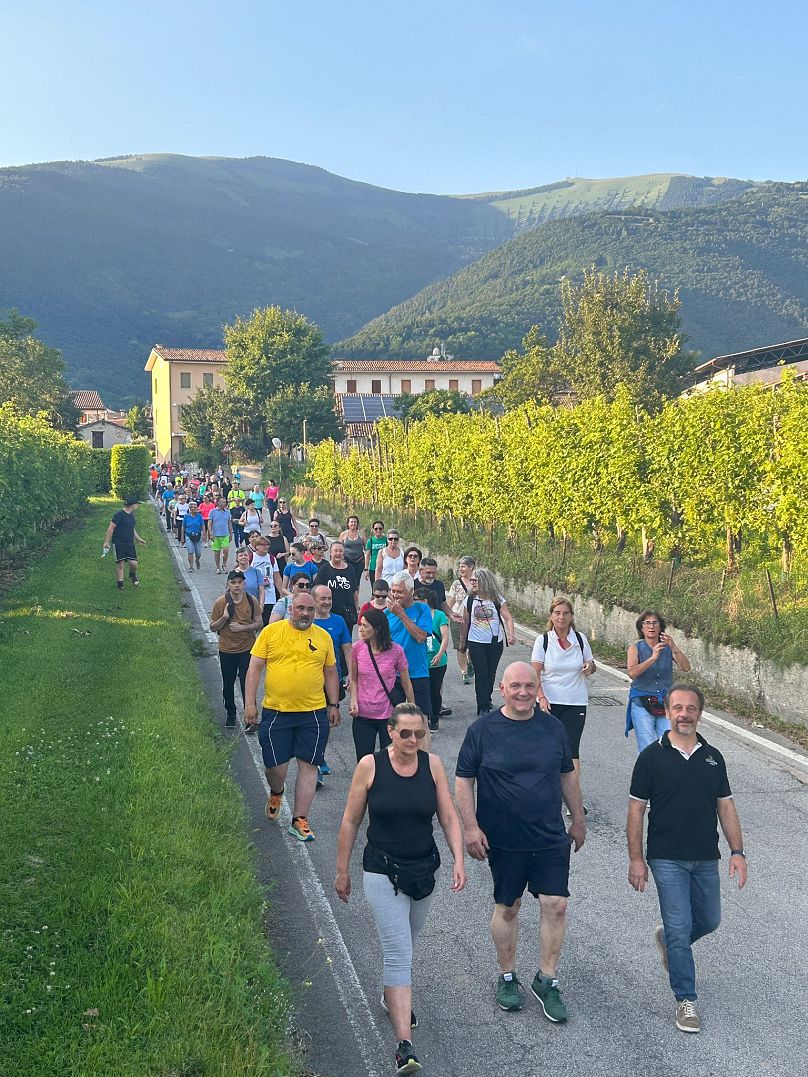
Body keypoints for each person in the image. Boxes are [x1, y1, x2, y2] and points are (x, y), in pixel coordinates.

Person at [336, 703, 466, 1077]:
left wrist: (458, 858)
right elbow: (349, 820)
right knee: (398, 951)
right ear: (391, 732)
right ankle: (404, 1045)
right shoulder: (370, 766)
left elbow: (448, 816)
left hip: (424, 869)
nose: (413, 740)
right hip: (382, 870)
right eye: (405, 733)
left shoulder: (433, 765)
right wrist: (341, 869)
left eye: (419, 733)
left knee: (408, 941)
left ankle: (390, 996)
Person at [454, 662, 586, 1023]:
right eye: (516, 686)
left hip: (548, 835)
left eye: (529, 685)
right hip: (504, 838)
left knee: (556, 904)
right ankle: (508, 976)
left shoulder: (553, 728)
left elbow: (566, 773)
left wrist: (578, 817)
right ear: (502, 689)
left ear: (536, 686)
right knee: (508, 908)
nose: (523, 692)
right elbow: (464, 780)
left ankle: (547, 979)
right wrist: (470, 827)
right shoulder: (482, 730)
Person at [627, 684, 748, 1034]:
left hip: (705, 856)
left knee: (709, 920)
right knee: (681, 927)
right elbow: (636, 810)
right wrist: (636, 859)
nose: (684, 713)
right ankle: (685, 999)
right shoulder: (651, 756)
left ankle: (669, 941)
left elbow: (725, 805)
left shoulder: (713, 756)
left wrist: (737, 852)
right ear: (667, 711)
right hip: (666, 858)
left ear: (699, 713)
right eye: (677, 707)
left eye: (690, 708)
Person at [244, 591, 341, 843]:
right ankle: (277, 791)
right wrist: (249, 704)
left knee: (309, 766)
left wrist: (334, 704)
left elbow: (330, 672)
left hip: (313, 713)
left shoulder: (323, 637)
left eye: (310, 609)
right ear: (290, 609)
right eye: (300, 608)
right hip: (277, 712)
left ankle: (299, 819)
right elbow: (254, 668)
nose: (305, 614)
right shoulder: (271, 633)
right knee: (275, 767)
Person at [530, 598, 596, 794]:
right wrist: (541, 698)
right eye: (557, 613)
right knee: (546, 748)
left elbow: (592, 664)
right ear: (551, 615)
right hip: (549, 703)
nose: (561, 617)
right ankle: (544, 790)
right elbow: (535, 674)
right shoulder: (543, 641)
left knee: (571, 750)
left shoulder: (580, 639)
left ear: (571, 616)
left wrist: (590, 667)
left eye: (565, 613)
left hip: (575, 702)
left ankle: (572, 796)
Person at [349, 608, 413, 761]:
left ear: (377, 629)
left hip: (388, 714)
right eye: (360, 625)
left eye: (365, 626)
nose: (361, 630)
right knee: (364, 760)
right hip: (363, 714)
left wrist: (412, 711)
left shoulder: (396, 651)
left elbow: (406, 684)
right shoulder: (358, 648)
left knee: (389, 760)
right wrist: (353, 700)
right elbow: (354, 679)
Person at [626, 609, 691, 752]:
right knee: (648, 747)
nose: (651, 626)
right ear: (641, 628)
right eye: (647, 623)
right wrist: (653, 658)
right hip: (641, 701)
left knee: (669, 743)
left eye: (655, 623)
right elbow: (632, 673)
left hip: (665, 702)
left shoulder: (667, 647)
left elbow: (686, 667)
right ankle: (649, 773)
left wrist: (674, 647)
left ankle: (664, 773)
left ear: (660, 627)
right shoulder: (635, 648)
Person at [209, 570, 263, 728]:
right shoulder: (221, 602)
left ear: (244, 584)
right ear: (228, 584)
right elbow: (212, 627)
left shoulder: (251, 601)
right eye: (233, 582)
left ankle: (250, 718)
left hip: (247, 649)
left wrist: (242, 628)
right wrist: (225, 617)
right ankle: (231, 714)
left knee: (248, 684)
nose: (237, 585)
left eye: (240, 582)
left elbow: (259, 623)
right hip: (227, 650)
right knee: (228, 683)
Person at [459, 567, 516, 716]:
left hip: (494, 642)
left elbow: (508, 617)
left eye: (475, 580)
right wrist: (462, 642)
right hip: (475, 642)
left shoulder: (496, 598)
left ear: (484, 581)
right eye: (471, 580)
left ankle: (487, 696)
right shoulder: (469, 599)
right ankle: (482, 705)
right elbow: (465, 621)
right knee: (481, 673)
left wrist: (511, 634)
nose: (472, 583)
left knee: (491, 673)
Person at [385, 571, 433, 726]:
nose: (395, 595)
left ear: (411, 592)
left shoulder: (422, 609)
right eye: (393, 591)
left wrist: (402, 615)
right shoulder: (387, 613)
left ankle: (423, 750)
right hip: (394, 674)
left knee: (421, 719)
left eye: (400, 592)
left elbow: (420, 637)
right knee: (395, 719)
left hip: (417, 672)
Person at [416, 588, 450, 733]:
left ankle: (434, 717)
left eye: (416, 599)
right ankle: (424, 718)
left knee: (435, 691)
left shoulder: (439, 615)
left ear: (424, 601)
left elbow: (445, 638)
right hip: (421, 661)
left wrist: (440, 654)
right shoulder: (415, 616)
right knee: (422, 691)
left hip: (438, 661)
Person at [314, 540, 360, 632]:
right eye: (335, 551)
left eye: (340, 551)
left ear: (343, 553)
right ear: (331, 552)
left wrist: (357, 609)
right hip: (329, 610)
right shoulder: (324, 569)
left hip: (347, 612)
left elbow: (354, 590)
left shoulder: (350, 569)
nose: (338, 553)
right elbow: (316, 590)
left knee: (346, 640)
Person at [103, 496, 146, 590]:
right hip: (118, 543)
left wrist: (138, 539)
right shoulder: (119, 515)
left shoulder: (131, 514)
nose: (137, 506)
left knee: (134, 563)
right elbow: (111, 528)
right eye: (137, 504)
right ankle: (120, 585)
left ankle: (132, 575)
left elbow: (132, 528)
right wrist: (106, 542)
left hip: (129, 543)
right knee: (120, 564)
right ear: (132, 505)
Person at [447, 556, 476, 685]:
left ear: (471, 567)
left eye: (463, 566)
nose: (461, 569)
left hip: (475, 620)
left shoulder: (477, 582)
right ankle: (464, 672)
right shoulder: (456, 584)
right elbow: (450, 601)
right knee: (460, 647)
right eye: (460, 566)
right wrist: (448, 614)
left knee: (473, 645)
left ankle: (470, 662)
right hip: (458, 619)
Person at [248, 535, 284, 625]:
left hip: (269, 596)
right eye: (263, 545)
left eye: (267, 545)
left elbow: (277, 577)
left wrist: (281, 593)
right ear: (257, 546)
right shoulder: (251, 558)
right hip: (255, 596)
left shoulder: (272, 558)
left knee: (268, 623)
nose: (266, 547)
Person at [339, 514, 366, 589]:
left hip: (359, 562)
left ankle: (355, 599)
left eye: (355, 522)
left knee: (356, 582)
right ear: (348, 523)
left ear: (357, 524)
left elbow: (366, 548)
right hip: (346, 561)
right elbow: (339, 548)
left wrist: (367, 564)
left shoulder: (361, 534)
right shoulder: (343, 534)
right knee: (347, 581)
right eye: (351, 522)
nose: (353, 524)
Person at [208, 496, 233, 574]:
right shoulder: (212, 512)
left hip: (225, 534)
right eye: (223, 502)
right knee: (217, 552)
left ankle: (224, 565)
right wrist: (210, 534)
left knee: (226, 550)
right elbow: (209, 523)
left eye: (225, 502)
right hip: (216, 535)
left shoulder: (228, 512)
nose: (224, 503)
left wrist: (231, 533)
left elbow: (229, 523)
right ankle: (218, 567)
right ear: (218, 502)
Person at [364, 519, 387, 586]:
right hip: (373, 568)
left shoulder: (386, 540)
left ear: (383, 529)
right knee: (375, 589)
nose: (378, 530)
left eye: (380, 528)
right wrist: (366, 569)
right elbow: (367, 555)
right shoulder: (370, 541)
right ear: (373, 530)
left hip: (384, 568)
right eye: (376, 529)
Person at [183, 500, 204, 571]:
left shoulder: (199, 516)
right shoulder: (186, 517)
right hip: (189, 535)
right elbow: (183, 527)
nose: (196, 509)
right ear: (190, 508)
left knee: (198, 553)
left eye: (196, 507)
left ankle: (197, 560)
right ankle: (191, 566)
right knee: (190, 551)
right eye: (194, 507)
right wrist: (182, 537)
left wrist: (204, 534)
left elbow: (202, 525)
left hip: (198, 535)